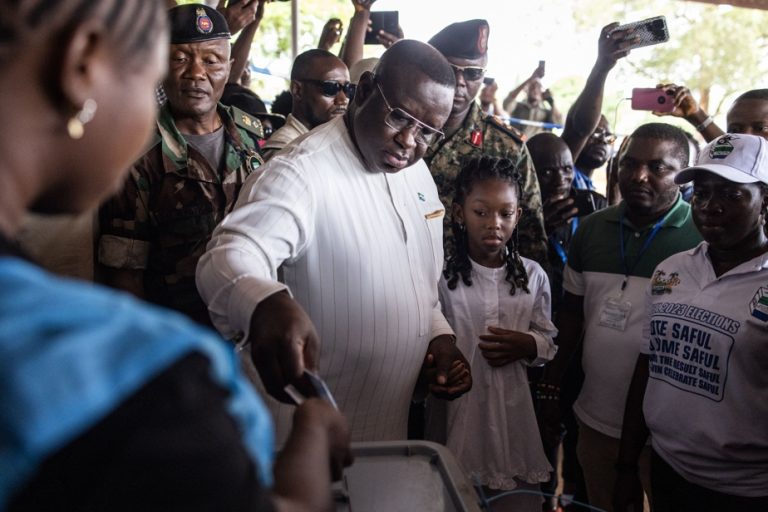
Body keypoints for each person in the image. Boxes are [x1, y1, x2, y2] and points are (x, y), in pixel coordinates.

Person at [0, 1, 350, 510]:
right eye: (150, 80)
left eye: (213, 60)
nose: (193, 78)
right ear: (81, 67)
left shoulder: (257, 137)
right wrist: (316, 429)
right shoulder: (147, 379)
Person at [196, 39, 472, 445]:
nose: (409, 141)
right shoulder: (300, 172)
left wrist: (439, 337)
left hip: (388, 435)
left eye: (428, 131)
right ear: (363, 90)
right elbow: (229, 255)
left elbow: (417, 283)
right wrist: (262, 302)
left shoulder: (418, 177)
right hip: (299, 441)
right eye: (399, 117)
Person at [538, 123, 703, 512]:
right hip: (595, 418)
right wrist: (552, 386)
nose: (638, 176)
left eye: (657, 167)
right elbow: (573, 316)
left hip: (668, 435)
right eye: (629, 163)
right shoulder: (592, 229)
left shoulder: (702, 239)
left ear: (682, 175)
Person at [613, 133, 768, 512]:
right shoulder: (672, 270)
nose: (710, 207)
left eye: (732, 194)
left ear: (765, 201)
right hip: (669, 471)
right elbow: (649, 366)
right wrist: (626, 466)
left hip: (746, 492)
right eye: (701, 193)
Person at [98, 4, 264, 326]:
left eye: (211, 60)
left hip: (247, 323)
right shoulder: (137, 153)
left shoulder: (250, 136)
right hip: (179, 331)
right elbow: (125, 277)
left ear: (229, 68)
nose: (196, 73)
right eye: (180, 59)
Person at [438, 156, 557, 512]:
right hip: (458, 410)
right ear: (459, 214)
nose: (494, 224)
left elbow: (547, 337)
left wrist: (528, 343)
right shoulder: (442, 275)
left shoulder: (532, 275)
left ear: (518, 216)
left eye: (505, 213)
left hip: (513, 411)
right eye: (481, 212)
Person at [425, 19, 548, 268]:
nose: (461, 82)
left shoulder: (506, 146)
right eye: (451, 70)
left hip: (473, 289)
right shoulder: (403, 129)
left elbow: (531, 238)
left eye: (472, 73)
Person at [561, 23, 633, 193]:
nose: (602, 140)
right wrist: (602, 67)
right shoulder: (563, 175)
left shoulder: (591, 187)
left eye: (609, 137)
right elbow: (580, 127)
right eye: (596, 133)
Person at [261, 49, 351, 160]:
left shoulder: (330, 140)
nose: (343, 99)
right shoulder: (285, 150)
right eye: (331, 87)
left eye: (348, 89)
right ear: (297, 90)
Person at [502, 65, 563, 138]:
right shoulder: (518, 106)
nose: (535, 89)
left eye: (538, 87)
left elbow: (559, 123)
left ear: (542, 92)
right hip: (516, 146)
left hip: (537, 147)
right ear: (526, 91)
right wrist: (531, 78)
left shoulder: (546, 112)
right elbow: (508, 102)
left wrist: (551, 102)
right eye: (532, 86)